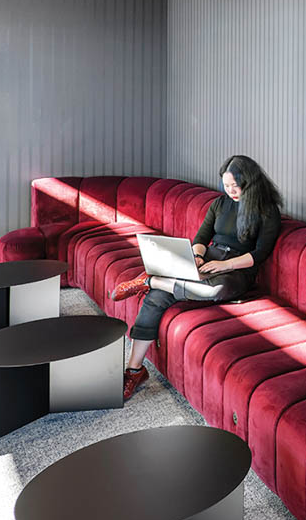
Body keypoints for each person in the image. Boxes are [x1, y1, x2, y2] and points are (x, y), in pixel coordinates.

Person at [110, 155, 283, 400]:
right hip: (210, 258)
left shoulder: (267, 211)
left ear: (250, 182)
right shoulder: (219, 204)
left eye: (235, 185)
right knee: (158, 297)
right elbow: (201, 238)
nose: (230, 190)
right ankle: (134, 370)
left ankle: (150, 280)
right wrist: (198, 258)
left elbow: (259, 254)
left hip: (237, 270)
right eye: (226, 185)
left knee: (212, 290)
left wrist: (223, 264)